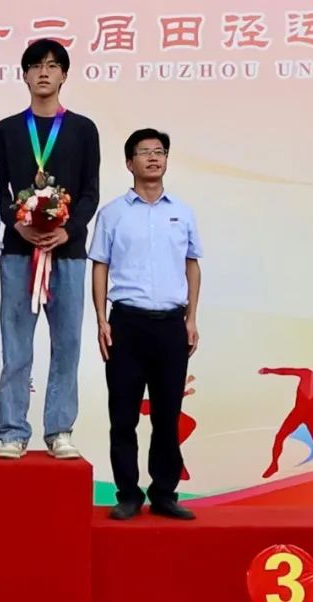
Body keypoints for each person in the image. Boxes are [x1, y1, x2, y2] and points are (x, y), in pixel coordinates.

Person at [0, 39, 100, 460]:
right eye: (35, 65)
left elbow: (89, 192)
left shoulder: (83, 129)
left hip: (68, 254)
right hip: (19, 253)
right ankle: (12, 432)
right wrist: (17, 224)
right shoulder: (6, 130)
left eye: (52, 66)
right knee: (16, 345)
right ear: (24, 75)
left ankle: (59, 430)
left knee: (67, 344)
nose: (43, 72)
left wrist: (67, 231)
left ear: (64, 75)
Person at [89, 128, 203, 521]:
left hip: (171, 325)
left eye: (160, 151)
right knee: (122, 415)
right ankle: (127, 494)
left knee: (167, 415)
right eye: (144, 152)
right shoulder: (112, 214)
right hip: (127, 324)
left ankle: (165, 493)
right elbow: (100, 266)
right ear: (129, 163)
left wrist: (192, 318)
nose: (153, 158)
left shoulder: (182, 213)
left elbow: (192, 265)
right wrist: (101, 319)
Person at [258, 356, 313, 478]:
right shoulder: (306, 373)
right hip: (298, 413)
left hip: (312, 415)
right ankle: (274, 465)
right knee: (280, 437)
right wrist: (270, 370)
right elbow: (287, 371)